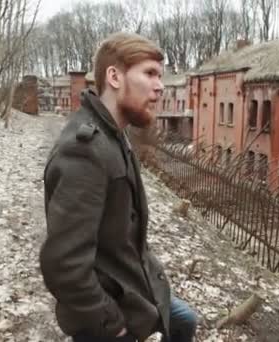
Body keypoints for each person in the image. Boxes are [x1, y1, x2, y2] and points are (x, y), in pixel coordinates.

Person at [39, 32, 198, 342]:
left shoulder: (113, 132)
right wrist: (112, 325)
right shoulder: (84, 150)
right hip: (106, 310)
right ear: (114, 76)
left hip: (128, 283)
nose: (160, 86)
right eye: (150, 73)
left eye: (160, 76)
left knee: (183, 321)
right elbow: (64, 265)